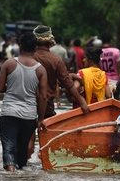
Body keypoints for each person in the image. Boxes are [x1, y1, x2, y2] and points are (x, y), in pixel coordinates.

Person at [30, 25, 89, 156]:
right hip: (47, 106)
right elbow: (67, 83)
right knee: (46, 144)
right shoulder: (56, 60)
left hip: (27, 105)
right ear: (50, 41)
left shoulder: (28, 58)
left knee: (28, 137)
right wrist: (82, 103)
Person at [0, 32, 47, 172]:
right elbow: (43, 97)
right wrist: (41, 118)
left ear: (20, 46)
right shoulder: (40, 70)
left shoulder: (9, 64)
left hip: (9, 113)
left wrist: (12, 86)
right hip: (29, 116)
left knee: (8, 147)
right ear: (35, 48)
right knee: (22, 149)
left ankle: (10, 174)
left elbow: (0, 88)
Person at [99, 32, 120, 99]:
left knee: (103, 99)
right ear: (111, 40)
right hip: (114, 79)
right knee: (114, 99)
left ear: (102, 41)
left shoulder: (98, 52)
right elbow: (118, 64)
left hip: (102, 79)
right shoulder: (116, 51)